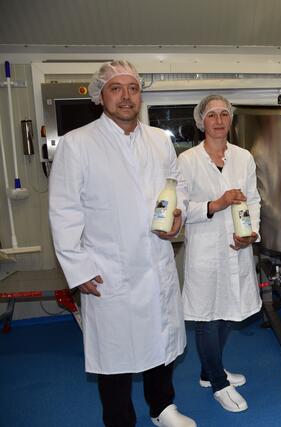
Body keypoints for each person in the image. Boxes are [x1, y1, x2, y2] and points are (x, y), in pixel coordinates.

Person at [48, 60, 195, 427]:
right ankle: (119, 419)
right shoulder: (77, 144)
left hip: (155, 260)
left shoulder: (160, 141)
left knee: (160, 340)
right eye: (116, 89)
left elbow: (178, 188)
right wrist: (78, 268)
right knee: (114, 353)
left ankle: (162, 407)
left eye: (133, 88)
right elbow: (64, 211)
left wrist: (178, 216)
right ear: (100, 96)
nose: (126, 96)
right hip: (109, 268)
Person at [177, 94, 261, 413]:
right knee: (207, 316)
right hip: (205, 247)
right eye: (211, 115)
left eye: (224, 114)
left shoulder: (244, 157)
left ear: (230, 120)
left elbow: (254, 200)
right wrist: (217, 204)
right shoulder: (187, 161)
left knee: (229, 310)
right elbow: (181, 209)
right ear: (202, 121)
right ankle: (218, 383)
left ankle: (206, 370)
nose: (218, 120)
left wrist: (251, 233)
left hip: (237, 246)